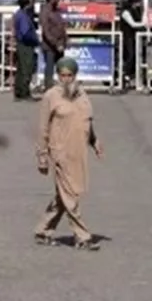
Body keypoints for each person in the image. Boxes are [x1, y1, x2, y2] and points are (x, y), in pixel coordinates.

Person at [34, 57, 104, 251]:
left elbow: (87, 121)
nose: (66, 79)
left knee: (64, 195)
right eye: (62, 75)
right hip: (60, 153)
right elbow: (42, 129)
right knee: (70, 195)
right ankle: (82, 236)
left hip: (78, 153)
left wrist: (94, 141)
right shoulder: (51, 96)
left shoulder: (82, 95)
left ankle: (43, 230)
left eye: (69, 75)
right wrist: (42, 156)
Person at [38, 0, 68, 93]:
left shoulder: (56, 11)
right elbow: (46, 31)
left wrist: (64, 41)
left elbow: (61, 27)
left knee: (62, 67)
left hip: (59, 44)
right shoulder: (45, 11)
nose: (59, 0)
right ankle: (48, 87)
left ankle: (63, 87)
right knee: (49, 67)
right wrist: (55, 43)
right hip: (50, 45)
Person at [13, 0, 40, 101]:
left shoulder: (19, 14)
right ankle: (24, 92)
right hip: (26, 45)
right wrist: (35, 40)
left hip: (22, 44)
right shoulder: (23, 16)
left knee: (21, 68)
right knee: (26, 69)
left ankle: (19, 92)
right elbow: (25, 33)